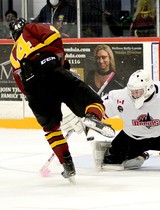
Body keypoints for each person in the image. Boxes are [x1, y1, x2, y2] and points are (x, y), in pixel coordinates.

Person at [8, 18, 115, 181]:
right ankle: (92, 117)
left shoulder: (13, 55)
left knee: (51, 128)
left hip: (32, 88)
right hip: (50, 69)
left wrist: (37, 99)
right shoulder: (31, 28)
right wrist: (60, 61)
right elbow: (53, 35)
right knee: (94, 102)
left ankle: (67, 164)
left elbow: (22, 87)